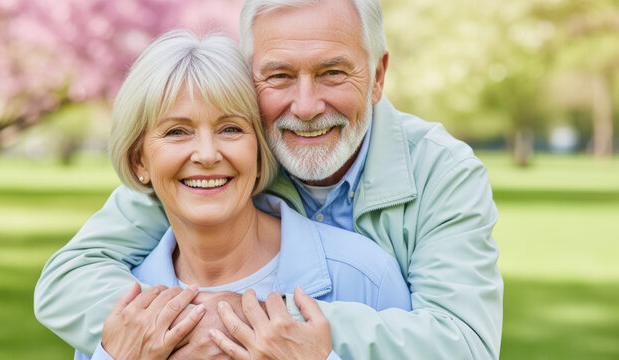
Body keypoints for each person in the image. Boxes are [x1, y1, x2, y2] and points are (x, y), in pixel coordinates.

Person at [35, 0, 503, 359]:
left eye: (332, 73)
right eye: (278, 76)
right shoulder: (219, 164)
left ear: (378, 76)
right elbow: (67, 281)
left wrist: (296, 332)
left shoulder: (441, 173)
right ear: (249, 80)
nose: (305, 106)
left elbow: (465, 343)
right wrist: (191, 326)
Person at [62, 29, 411, 360]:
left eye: (230, 128)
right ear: (139, 160)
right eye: (177, 131)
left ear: (259, 153)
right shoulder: (122, 313)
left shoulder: (365, 276)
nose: (207, 154)